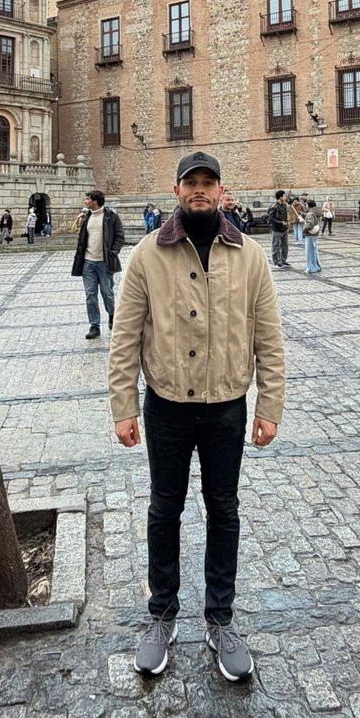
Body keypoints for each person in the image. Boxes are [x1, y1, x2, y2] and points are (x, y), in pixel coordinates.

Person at [109, 151, 285, 683]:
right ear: (178, 191)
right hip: (165, 407)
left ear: (221, 190)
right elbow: (125, 337)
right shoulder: (146, 255)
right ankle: (161, 614)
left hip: (227, 406)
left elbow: (269, 337)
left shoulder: (250, 255)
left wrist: (269, 406)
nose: (200, 191)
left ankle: (220, 618)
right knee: (164, 509)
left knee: (223, 509)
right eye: (192, 183)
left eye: (208, 183)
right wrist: (123, 405)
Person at [72, 189, 125, 338]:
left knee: (107, 293)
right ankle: (94, 325)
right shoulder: (86, 216)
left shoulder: (111, 216)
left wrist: (112, 253)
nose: (85, 201)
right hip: (88, 262)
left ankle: (112, 316)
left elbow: (120, 236)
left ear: (95, 201)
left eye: (87, 199)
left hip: (104, 262)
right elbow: (81, 236)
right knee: (90, 294)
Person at [267, 190, 292, 269]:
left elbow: (285, 215)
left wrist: (287, 221)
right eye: (284, 196)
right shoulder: (274, 206)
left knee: (285, 246)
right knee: (276, 246)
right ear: (280, 197)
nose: (286, 197)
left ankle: (283, 260)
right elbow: (270, 219)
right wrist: (280, 222)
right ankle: (277, 262)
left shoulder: (284, 205)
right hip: (277, 229)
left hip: (284, 229)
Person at [302, 197, 324, 274]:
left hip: (310, 234)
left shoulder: (310, 213)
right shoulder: (316, 211)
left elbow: (310, 224)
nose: (306, 206)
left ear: (309, 205)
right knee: (314, 251)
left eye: (306, 205)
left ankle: (311, 268)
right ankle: (317, 266)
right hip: (315, 233)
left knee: (310, 252)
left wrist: (304, 230)